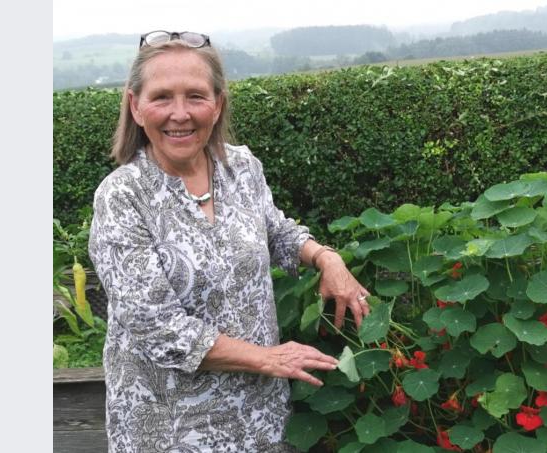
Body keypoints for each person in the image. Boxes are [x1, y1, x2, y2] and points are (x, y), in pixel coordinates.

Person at [88, 30, 371, 452]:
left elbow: (275, 230)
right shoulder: (122, 198)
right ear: (136, 105)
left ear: (217, 105)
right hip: (171, 427)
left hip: (259, 416)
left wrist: (326, 259)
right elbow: (160, 329)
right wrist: (269, 358)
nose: (180, 113)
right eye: (162, 96)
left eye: (196, 96)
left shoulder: (240, 166)